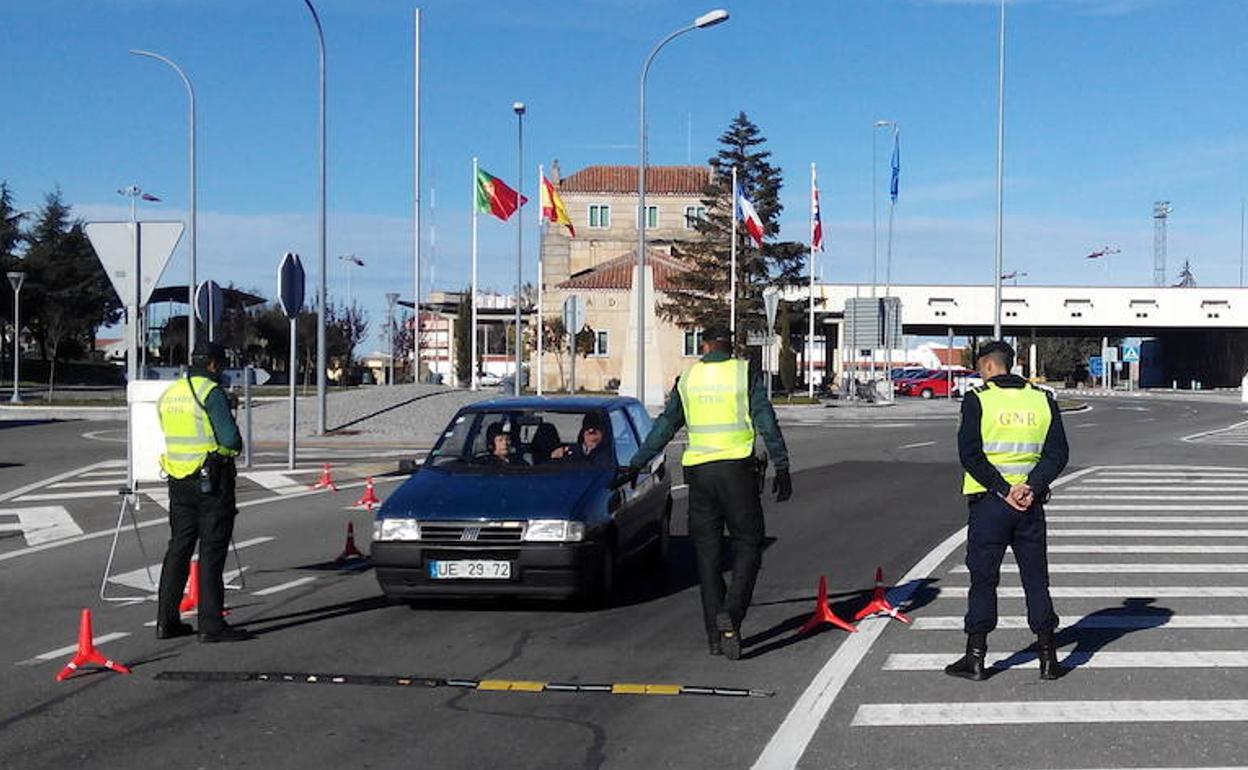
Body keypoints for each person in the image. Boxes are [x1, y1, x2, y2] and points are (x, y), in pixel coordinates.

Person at [627, 324, 792, 660]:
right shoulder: (744, 373)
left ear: (703, 346)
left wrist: (636, 463)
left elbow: (665, 426)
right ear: (730, 347)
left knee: (707, 555)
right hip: (737, 472)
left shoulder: (687, 380)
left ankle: (715, 638)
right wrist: (782, 464)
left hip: (699, 474)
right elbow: (766, 420)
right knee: (749, 542)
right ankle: (732, 613)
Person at [946, 340, 1069, 681]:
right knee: (1036, 580)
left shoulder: (978, 399)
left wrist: (1004, 490)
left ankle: (975, 658)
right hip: (1030, 504)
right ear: (1010, 364)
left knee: (983, 580)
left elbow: (970, 455)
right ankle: (1048, 658)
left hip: (990, 504)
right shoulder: (1043, 399)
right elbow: (1058, 454)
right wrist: (1031, 485)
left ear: (987, 366)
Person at [155, 343, 254, 643]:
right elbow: (231, 440)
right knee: (211, 552)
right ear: (212, 364)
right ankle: (211, 625)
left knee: (178, 549)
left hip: (177, 480)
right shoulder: (210, 392)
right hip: (210, 480)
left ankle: (166, 621)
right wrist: (225, 449)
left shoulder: (170, 394)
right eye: (221, 365)